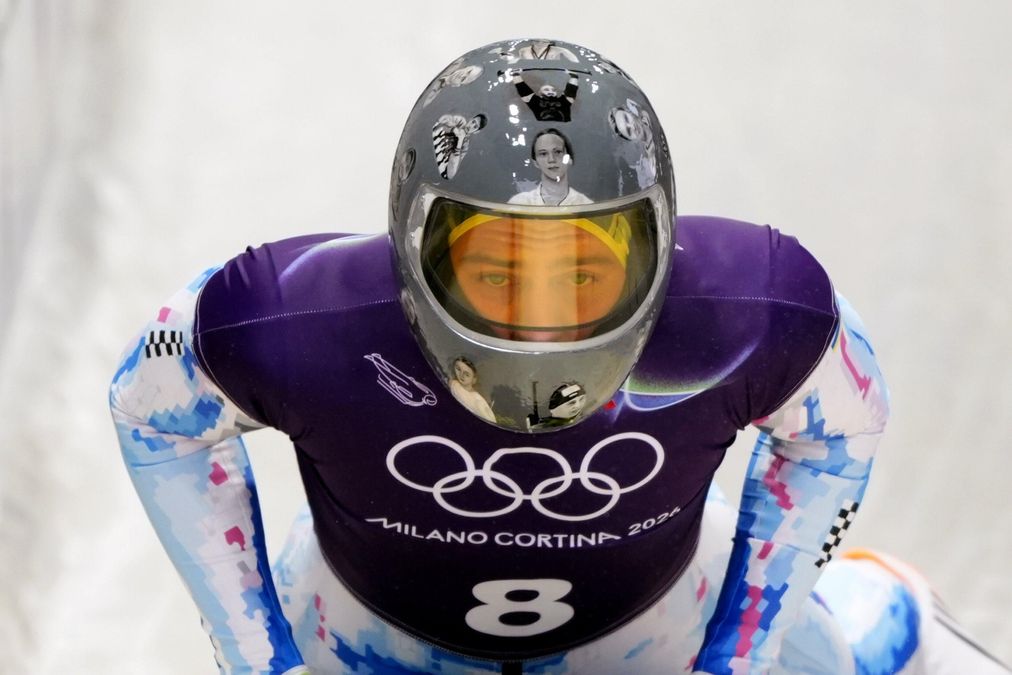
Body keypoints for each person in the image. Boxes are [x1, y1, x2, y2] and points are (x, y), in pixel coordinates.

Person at [110, 38, 1010, 675]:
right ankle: (874, 617)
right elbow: (841, 422)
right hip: (666, 617)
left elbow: (153, 408)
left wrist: (258, 655)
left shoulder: (283, 313)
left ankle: (877, 617)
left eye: (580, 274)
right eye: (498, 273)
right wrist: (745, 649)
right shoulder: (756, 308)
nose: (540, 326)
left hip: (354, 627)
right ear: (414, 248)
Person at [508, 129, 591, 206]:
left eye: (558, 152)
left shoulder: (585, 204)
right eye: (543, 154)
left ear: (569, 159)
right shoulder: (519, 203)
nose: (551, 159)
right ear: (535, 163)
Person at [449, 356, 496, 423]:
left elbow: (490, 422)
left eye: (467, 374)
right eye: (458, 369)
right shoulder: (454, 385)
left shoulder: (478, 401)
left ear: (474, 379)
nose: (461, 375)